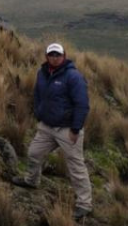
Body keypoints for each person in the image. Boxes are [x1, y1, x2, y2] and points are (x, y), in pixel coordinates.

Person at [12, 43, 93, 221]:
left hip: (67, 129)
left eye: (58, 54)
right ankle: (32, 181)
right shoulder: (42, 73)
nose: (54, 57)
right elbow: (38, 95)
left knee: (76, 166)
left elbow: (82, 104)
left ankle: (84, 204)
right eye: (51, 54)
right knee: (33, 153)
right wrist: (39, 113)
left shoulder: (73, 76)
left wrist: (75, 129)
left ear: (63, 55)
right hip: (46, 127)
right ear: (47, 56)